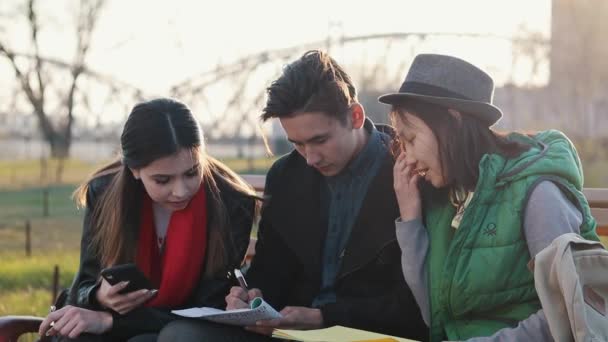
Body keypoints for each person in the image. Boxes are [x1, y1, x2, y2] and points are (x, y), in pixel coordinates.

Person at [185, 49, 426, 341]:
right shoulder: (286, 176)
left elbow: (413, 302)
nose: (310, 158)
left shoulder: (410, 171)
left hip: (366, 334)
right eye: (297, 144)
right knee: (180, 335)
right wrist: (251, 297)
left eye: (319, 140)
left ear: (356, 116)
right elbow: (271, 269)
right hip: (288, 331)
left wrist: (325, 318)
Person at [379, 53, 600, 342]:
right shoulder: (448, 196)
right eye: (400, 142)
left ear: (453, 123)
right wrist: (410, 218)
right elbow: (434, 315)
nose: (405, 156)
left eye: (411, 139)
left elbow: (569, 313)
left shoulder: (536, 191)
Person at [38, 98, 258, 342]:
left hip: (183, 328)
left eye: (192, 172)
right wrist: (99, 295)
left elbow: (209, 306)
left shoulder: (232, 203)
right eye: (162, 180)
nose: (181, 190)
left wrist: (111, 322)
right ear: (134, 171)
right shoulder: (103, 193)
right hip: (119, 322)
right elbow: (84, 284)